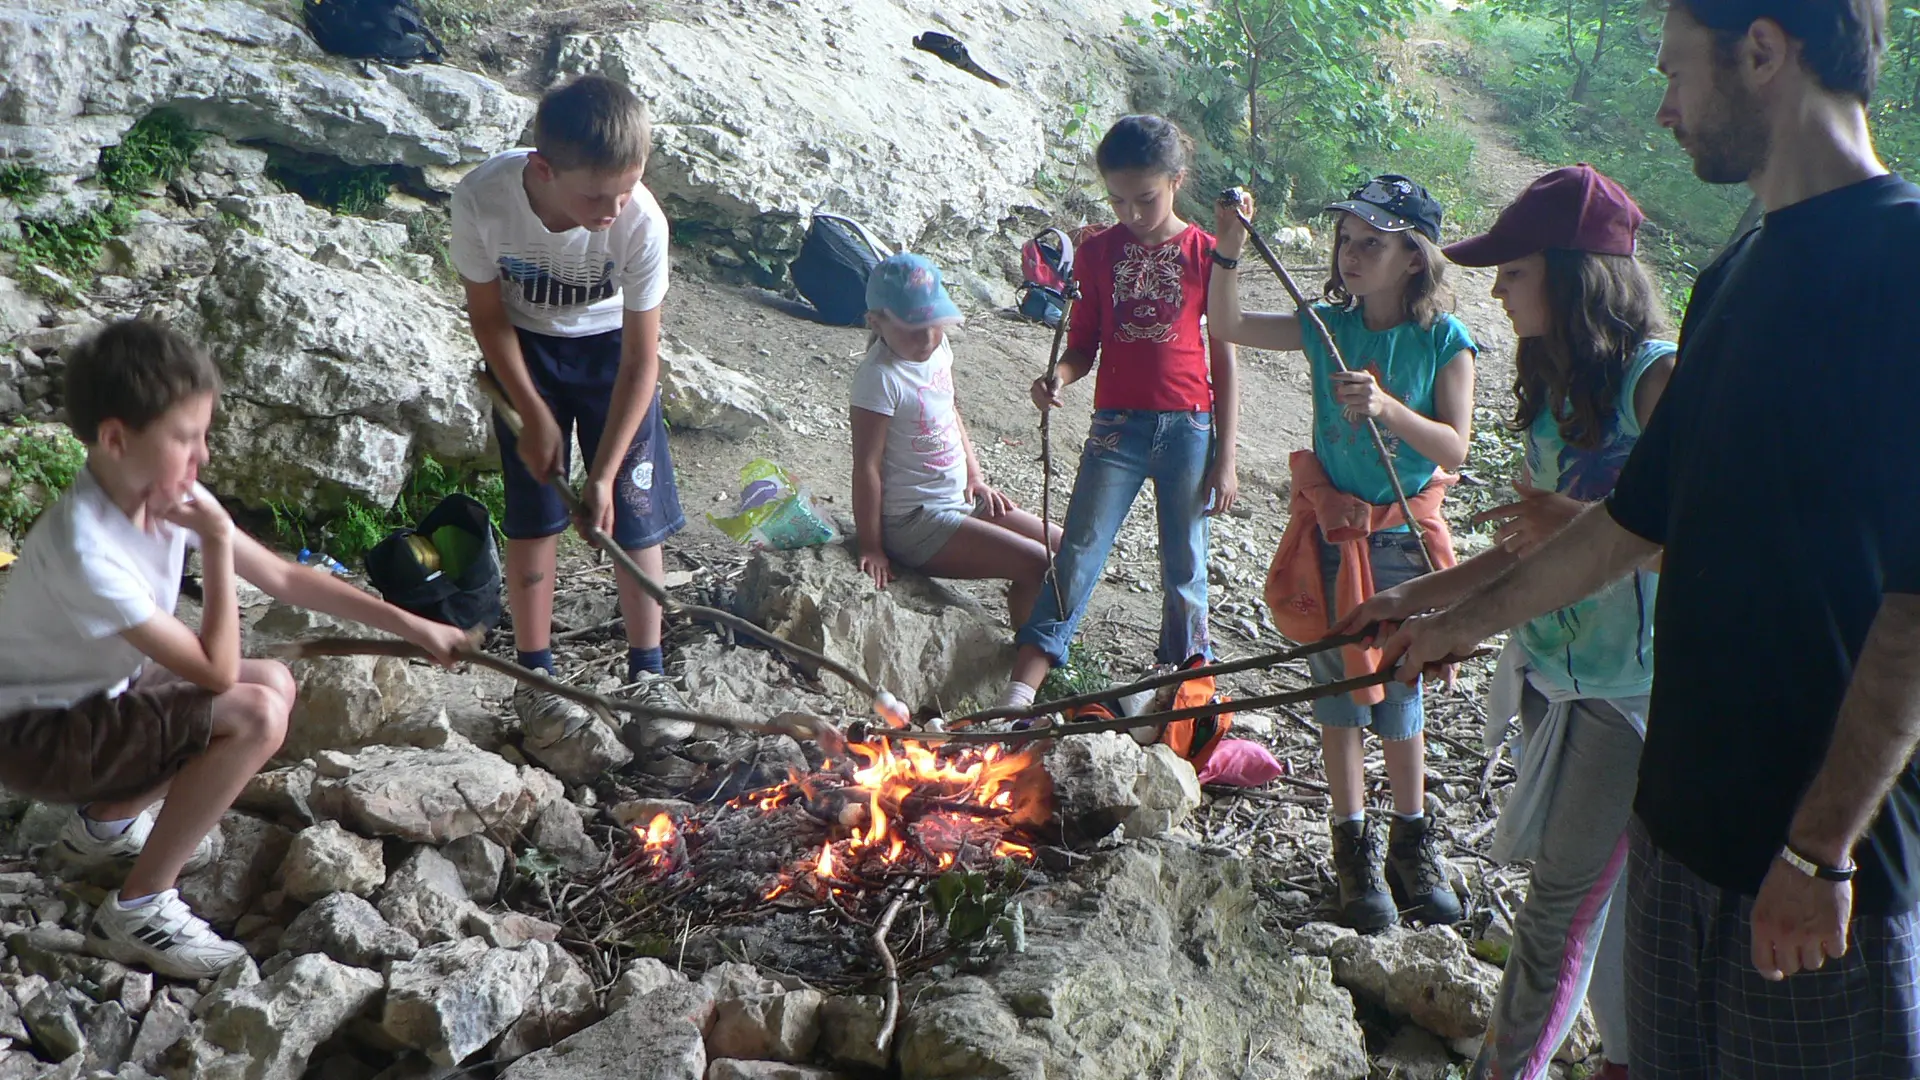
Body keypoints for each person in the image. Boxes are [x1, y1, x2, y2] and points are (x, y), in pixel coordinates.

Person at [1383, 0, 1920, 1070]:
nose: (1665, 109)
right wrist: (1453, 620)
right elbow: (1631, 526)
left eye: (1678, 73)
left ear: (1764, 51)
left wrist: (1820, 855)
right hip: (1675, 835)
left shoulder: (1904, 269)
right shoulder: (1734, 276)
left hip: (1817, 876)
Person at [0, 320, 469, 979]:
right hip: (36, 740)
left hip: (93, 695)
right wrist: (217, 546)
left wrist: (412, 626)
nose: (205, 458)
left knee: (274, 681)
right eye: (187, 438)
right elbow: (217, 669)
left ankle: (104, 826)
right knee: (255, 713)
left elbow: (282, 577)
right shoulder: (87, 550)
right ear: (115, 438)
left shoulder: (158, 488)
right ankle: (138, 906)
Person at [1340, 165, 1674, 1080]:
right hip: (1550, 678)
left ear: (1574, 276)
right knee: (1598, 901)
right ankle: (1627, 1060)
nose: (1494, 289)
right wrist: (1410, 599)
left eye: (1514, 272)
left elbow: (1717, 554)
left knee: (1561, 906)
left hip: (1633, 693)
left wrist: (1577, 529)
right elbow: (1529, 550)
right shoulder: (1554, 382)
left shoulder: (1659, 383)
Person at [1208, 176, 1476, 930]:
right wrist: (1229, 245)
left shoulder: (1444, 342)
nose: (1351, 255)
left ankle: (1411, 843)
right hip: (1335, 535)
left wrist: (1389, 409)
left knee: (1401, 686)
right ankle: (1352, 846)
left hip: (1401, 535)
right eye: (1346, 240)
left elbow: (1455, 445)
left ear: (1414, 258)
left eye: (1373, 243)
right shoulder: (1325, 324)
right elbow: (1224, 323)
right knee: (1338, 692)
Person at [450, 74, 687, 749]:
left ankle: (648, 673)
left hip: (612, 351)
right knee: (535, 513)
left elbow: (644, 360)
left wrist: (605, 472)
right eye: (595, 196)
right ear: (543, 169)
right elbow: (489, 318)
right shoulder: (483, 200)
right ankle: (537, 678)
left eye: (626, 190)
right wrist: (533, 411)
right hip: (526, 350)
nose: (612, 209)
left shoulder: (639, 220)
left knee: (635, 517)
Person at [993, 114, 1239, 713]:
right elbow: (1084, 344)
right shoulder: (1099, 253)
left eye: (1145, 199)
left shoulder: (1207, 253)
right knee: (1079, 547)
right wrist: (1058, 378)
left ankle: (1177, 688)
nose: (1131, 213)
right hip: (1116, 429)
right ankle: (1024, 684)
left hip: (1189, 427)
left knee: (1185, 562)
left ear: (1177, 181)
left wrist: (1225, 457)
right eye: (1118, 200)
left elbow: (1225, 357)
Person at [850, 253, 1062, 626]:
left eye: (936, 324)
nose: (929, 337)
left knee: (1067, 548)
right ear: (876, 322)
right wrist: (871, 545)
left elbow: (950, 412)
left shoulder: (938, 350)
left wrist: (974, 475)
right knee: (1040, 564)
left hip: (960, 497)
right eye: (914, 328)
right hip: (915, 519)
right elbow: (867, 466)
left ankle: (1037, 644)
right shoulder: (880, 377)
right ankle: (1024, 661)